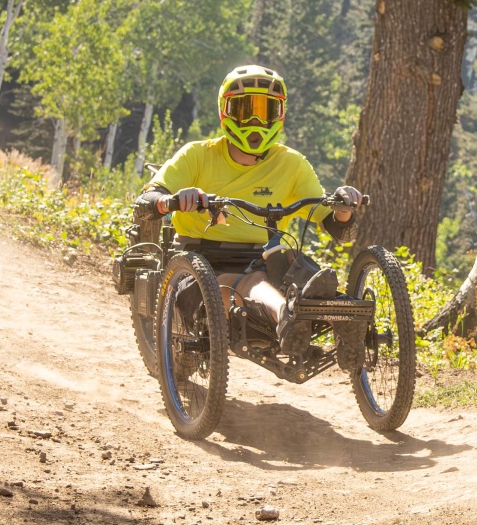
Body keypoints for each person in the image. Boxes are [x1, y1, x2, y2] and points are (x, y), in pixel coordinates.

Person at [136, 65, 364, 357]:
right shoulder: (197, 155)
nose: (254, 121)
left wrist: (344, 208)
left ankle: (335, 323)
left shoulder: (292, 164)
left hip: (262, 259)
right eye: (244, 110)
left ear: (279, 115)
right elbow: (150, 197)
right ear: (225, 111)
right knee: (248, 281)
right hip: (195, 263)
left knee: (288, 263)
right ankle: (291, 317)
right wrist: (175, 199)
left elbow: (338, 229)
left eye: (265, 111)